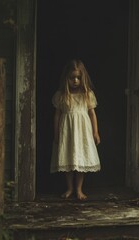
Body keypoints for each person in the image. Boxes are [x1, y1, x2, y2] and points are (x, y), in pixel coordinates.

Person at [51, 59, 101, 200]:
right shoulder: (61, 95)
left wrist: (95, 132)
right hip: (67, 132)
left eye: (78, 78)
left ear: (83, 78)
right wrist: (56, 133)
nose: (75, 81)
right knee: (67, 158)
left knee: (80, 160)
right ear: (66, 78)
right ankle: (70, 188)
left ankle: (79, 189)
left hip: (82, 133)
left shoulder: (87, 94)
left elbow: (92, 114)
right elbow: (57, 115)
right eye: (72, 78)